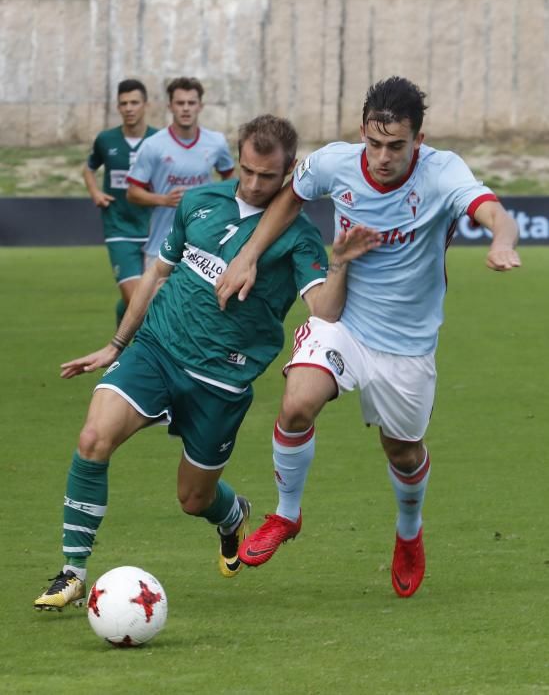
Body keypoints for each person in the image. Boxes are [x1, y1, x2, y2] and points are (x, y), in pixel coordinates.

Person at [33, 114, 381, 610]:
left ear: (290, 173)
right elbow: (156, 275)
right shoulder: (200, 202)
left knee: (193, 498)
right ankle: (72, 571)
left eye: (269, 176)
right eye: (247, 171)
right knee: (93, 438)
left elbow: (324, 312)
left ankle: (232, 514)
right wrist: (116, 345)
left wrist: (341, 262)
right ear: (237, 161)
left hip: (221, 381)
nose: (256, 184)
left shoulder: (299, 238)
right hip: (156, 350)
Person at [215, 77, 522, 598]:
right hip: (345, 323)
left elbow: (495, 212)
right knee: (296, 404)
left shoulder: (443, 173)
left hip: (407, 345)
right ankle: (287, 515)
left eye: (396, 146)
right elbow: (292, 196)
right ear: (362, 133)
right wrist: (247, 256)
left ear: (417, 141)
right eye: (374, 143)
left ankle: (409, 534)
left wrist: (502, 241)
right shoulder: (335, 163)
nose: (382, 157)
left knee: (401, 452)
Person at [127, 76, 235, 268]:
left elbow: (230, 180)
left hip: (204, 248)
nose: (186, 108)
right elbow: (132, 193)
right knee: (154, 299)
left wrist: (218, 203)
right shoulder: (153, 145)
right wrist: (163, 200)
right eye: (180, 103)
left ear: (200, 106)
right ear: (170, 106)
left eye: (191, 103)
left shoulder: (217, 142)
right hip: (161, 246)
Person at [83, 79, 158, 325]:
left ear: (146, 105)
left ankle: (121, 315)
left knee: (141, 301)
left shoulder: (159, 140)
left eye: (134, 102)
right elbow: (88, 168)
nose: (129, 108)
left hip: (153, 230)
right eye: (123, 103)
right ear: (118, 107)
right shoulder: (106, 140)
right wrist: (95, 192)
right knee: (140, 303)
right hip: (119, 229)